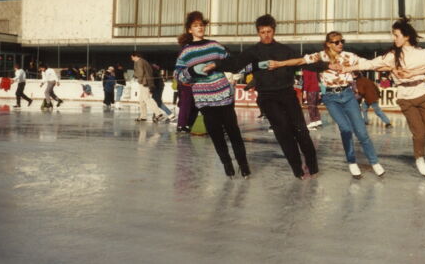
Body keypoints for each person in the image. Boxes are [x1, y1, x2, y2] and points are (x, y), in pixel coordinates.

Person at [342, 18, 425, 178]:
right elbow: (371, 64)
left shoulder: (422, 54)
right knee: (419, 133)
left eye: (396, 35)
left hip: (423, 96)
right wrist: (348, 68)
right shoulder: (392, 56)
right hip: (405, 99)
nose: (394, 38)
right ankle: (419, 158)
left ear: (406, 37)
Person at [205, 14, 319, 180]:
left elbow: (303, 62)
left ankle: (313, 167)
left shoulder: (284, 50)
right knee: (283, 132)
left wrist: (329, 65)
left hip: (287, 94)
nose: (266, 35)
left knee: (301, 131)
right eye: (262, 32)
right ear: (258, 33)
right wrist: (216, 64)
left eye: (269, 31)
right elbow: (236, 64)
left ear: (274, 31)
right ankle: (298, 170)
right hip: (268, 97)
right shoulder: (253, 52)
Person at [268, 30, 385, 179]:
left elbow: (369, 64)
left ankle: (374, 162)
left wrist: (389, 65)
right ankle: (352, 162)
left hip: (348, 95)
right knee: (345, 129)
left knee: (362, 132)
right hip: (331, 98)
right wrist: (279, 63)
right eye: (336, 42)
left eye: (342, 41)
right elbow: (299, 61)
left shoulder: (349, 56)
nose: (340, 44)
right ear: (329, 44)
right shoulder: (320, 56)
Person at [175, 11, 250, 178]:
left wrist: (219, 65)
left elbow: (233, 63)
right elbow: (178, 75)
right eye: (195, 25)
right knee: (216, 134)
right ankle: (227, 165)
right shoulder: (185, 53)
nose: (200, 28)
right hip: (204, 99)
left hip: (224, 94)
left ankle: (243, 165)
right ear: (189, 30)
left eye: (201, 25)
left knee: (233, 131)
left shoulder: (215, 45)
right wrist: (193, 70)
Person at [131, 52, 165, 122]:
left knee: (147, 99)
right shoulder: (144, 61)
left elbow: (140, 72)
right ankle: (143, 116)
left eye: (132, 57)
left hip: (144, 82)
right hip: (146, 81)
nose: (132, 59)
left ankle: (159, 114)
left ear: (135, 56)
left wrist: (139, 80)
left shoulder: (139, 62)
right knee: (141, 100)